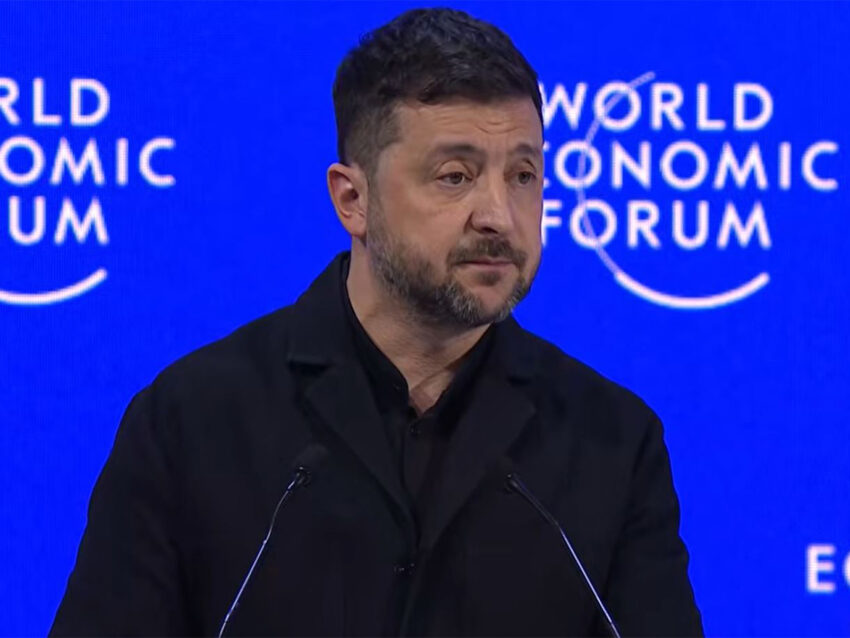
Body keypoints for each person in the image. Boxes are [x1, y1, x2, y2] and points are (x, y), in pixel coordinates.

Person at [50, 7, 703, 637]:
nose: (500, 216)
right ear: (352, 200)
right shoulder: (194, 421)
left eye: (524, 175)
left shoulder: (612, 442)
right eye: (455, 176)